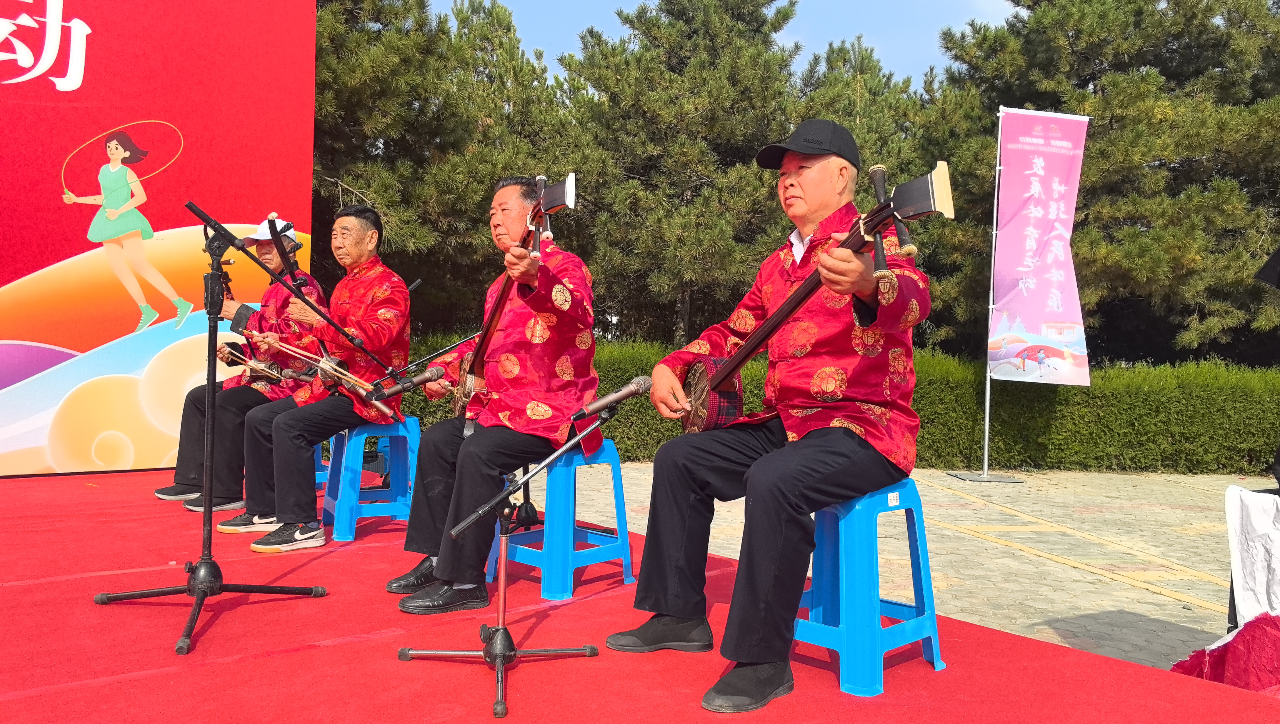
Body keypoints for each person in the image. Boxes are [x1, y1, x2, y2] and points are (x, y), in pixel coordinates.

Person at [606, 119, 931, 713]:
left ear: (843, 176)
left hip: (866, 426)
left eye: (802, 168)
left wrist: (868, 284)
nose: (787, 182)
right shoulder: (778, 263)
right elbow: (734, 332)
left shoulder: (879, 237)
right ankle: (679, 615)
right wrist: (672, 363)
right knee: (680, 458)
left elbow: (915, 297)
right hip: (791, 423)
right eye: (782, 174)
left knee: (775, 478)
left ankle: (762, 660)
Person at [388, 177, 600, 615]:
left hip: (552, 410)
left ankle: (467, 580)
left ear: (534, 213)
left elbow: (580, 314)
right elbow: (483, 345)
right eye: (491, 214)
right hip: (501, 409)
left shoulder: (566, 265)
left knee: (479, 452)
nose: (495, 221)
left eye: (504, 210)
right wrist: (444, 370)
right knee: (438, 441)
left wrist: (538, 277)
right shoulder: (497, 285)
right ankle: (437, 557)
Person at [223, 205, 410, 553]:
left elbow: (377, 336)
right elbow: (320, 342)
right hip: (333, 383)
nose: (337, 242)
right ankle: (266, 510)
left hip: (369, 392)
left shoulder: (390, 285)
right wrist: (281, 339)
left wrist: (318, 319)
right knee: (260, 418)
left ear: (371, 239)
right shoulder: (343, 285)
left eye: (345, 234)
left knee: (289, 426)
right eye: (334, 235)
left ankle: (303, 525)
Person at [153, 220, 326, 512]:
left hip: (293, 379)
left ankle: (226, 491)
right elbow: (266, 341)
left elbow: (297, 340)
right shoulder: (275, 287)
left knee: (227, 404)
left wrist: (242, 314)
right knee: (198, 398)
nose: (263, 251)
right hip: (268, 374)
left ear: (291, 248)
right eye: (260, 246)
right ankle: (193, 479)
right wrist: (238, 352)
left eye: (271, 245)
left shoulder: (302, 286)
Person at [62, 130, 193, 332]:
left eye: (116, 147)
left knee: (139, 264)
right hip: (107, 221)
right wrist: (77, 199)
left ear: (125, 152)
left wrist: (119, 211)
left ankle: (180, 303)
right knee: (119, 268)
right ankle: (146, 310)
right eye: (109, 146)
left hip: (126, 220)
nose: (111, 149)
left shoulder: (127, 172)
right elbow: (104, 199)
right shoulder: (103, 171)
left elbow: (140, 196)